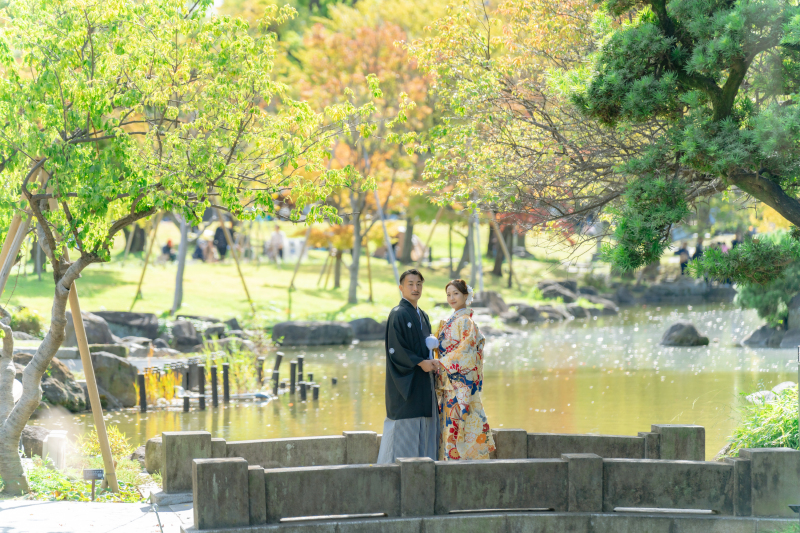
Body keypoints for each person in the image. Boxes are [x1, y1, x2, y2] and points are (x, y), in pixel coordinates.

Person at [377, 269, 443, 463]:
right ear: (401, 288)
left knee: (426, 429)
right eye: (410, 284)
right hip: (406, 384)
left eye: (419, 284)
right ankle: (394, 472)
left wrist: (431, 361)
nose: (415, 288)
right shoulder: (398, 314)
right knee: (403, 434)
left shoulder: (422, 315)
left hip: (424, 383)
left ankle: (424, 473)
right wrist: (420, 362)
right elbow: (396, 349)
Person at [435, 279, 495, 460]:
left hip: (460, 382)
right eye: (448, 294)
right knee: (450, 424)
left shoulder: (466, 322)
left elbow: (467, 350)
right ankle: (450, 460)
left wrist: (442, 362)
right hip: (450, 380)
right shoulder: (453, 320)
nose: (451, 298)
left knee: (460, 422)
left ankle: (463, 462)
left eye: (456, 294)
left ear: (466, 296)